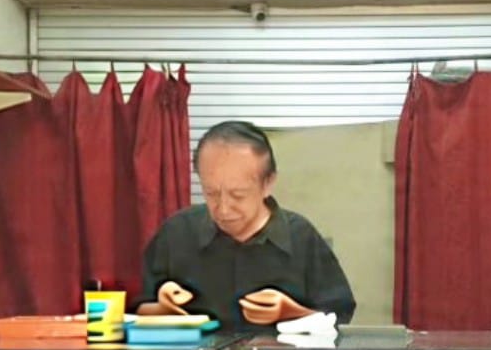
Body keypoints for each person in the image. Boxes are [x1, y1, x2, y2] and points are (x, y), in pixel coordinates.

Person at [138, 120, 356, 331]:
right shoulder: (177, 232)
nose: (223, 209)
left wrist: (292, 312)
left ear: (268, 183)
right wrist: (162, 309)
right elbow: (134, 310)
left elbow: (339, 317)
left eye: (238, 195)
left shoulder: (300, 236)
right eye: (211, 193)